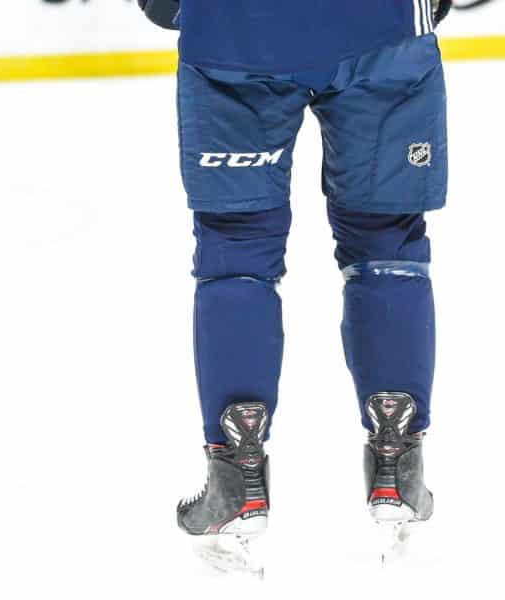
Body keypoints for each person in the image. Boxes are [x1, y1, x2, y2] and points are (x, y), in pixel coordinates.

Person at [138, 0, 451, 574]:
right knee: (387, 238)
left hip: (234, 31)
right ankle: (398, 467)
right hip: (382, 28)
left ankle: (236, 479)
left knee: (236, 246)